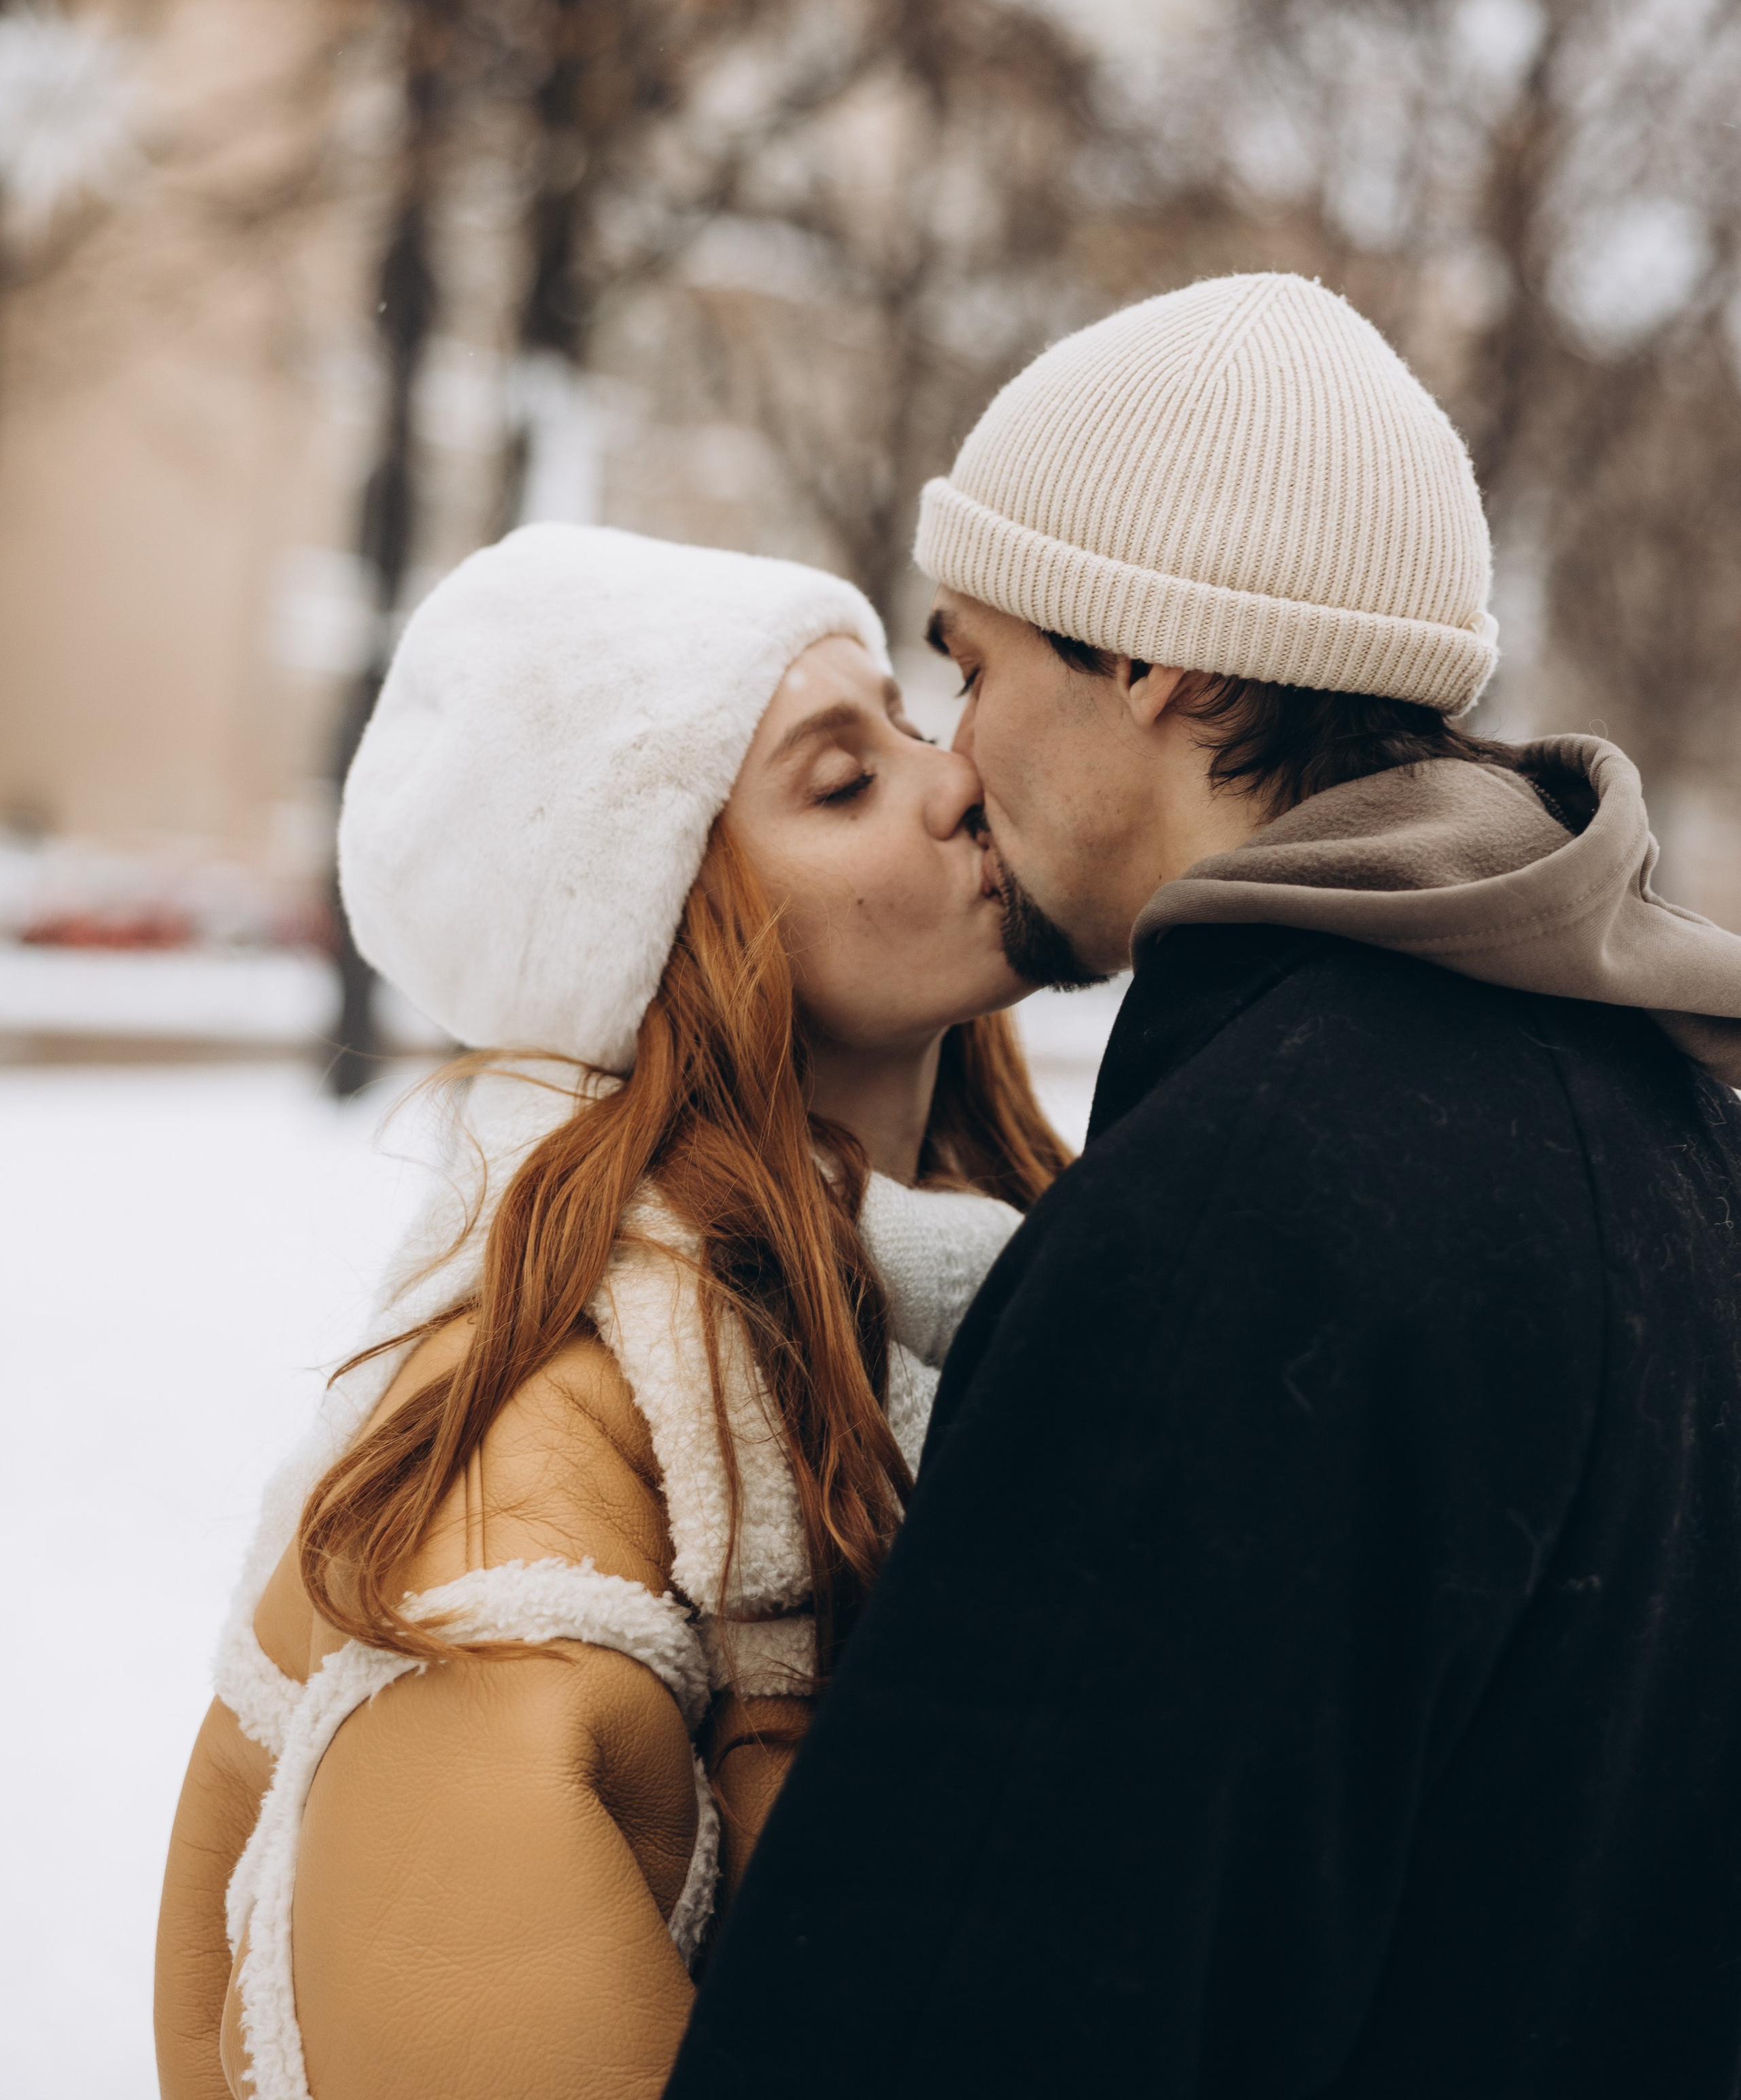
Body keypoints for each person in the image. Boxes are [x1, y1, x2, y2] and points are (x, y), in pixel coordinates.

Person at [666, 271, 1741, 2100]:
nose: (961, 758)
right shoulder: (1671, 1129)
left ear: (1156, 659)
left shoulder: (1242, 1216)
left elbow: (962, 2013)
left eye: (975, 666)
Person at [152, 523, 1068, 2100]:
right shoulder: (514, 1504)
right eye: (840, 784)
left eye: (910, 723)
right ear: (661, 934)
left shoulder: (986, 1299)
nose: (954, 779)